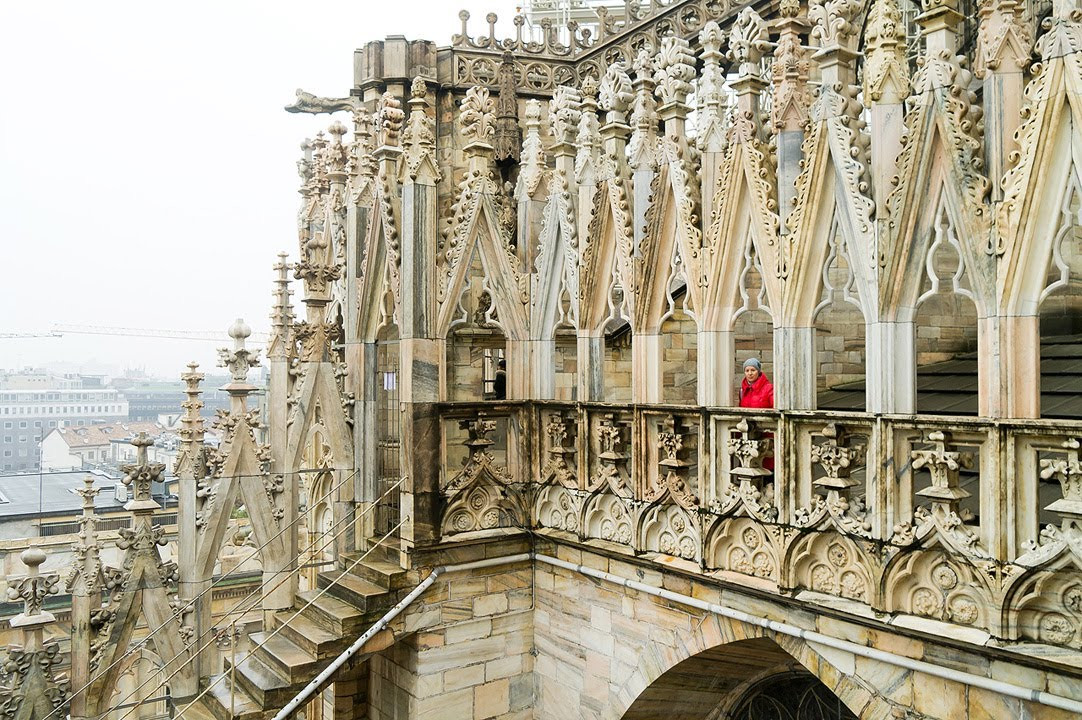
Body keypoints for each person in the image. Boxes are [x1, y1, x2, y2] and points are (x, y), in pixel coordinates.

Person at [739, 357, 774, 470]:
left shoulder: (768, 388)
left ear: (758, 371)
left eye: (752, 370)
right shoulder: (742, 390)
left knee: (766, 465)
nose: (750, 373)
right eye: (747, 370)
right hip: (747, 433)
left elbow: (774, 408)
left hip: (765, 434)